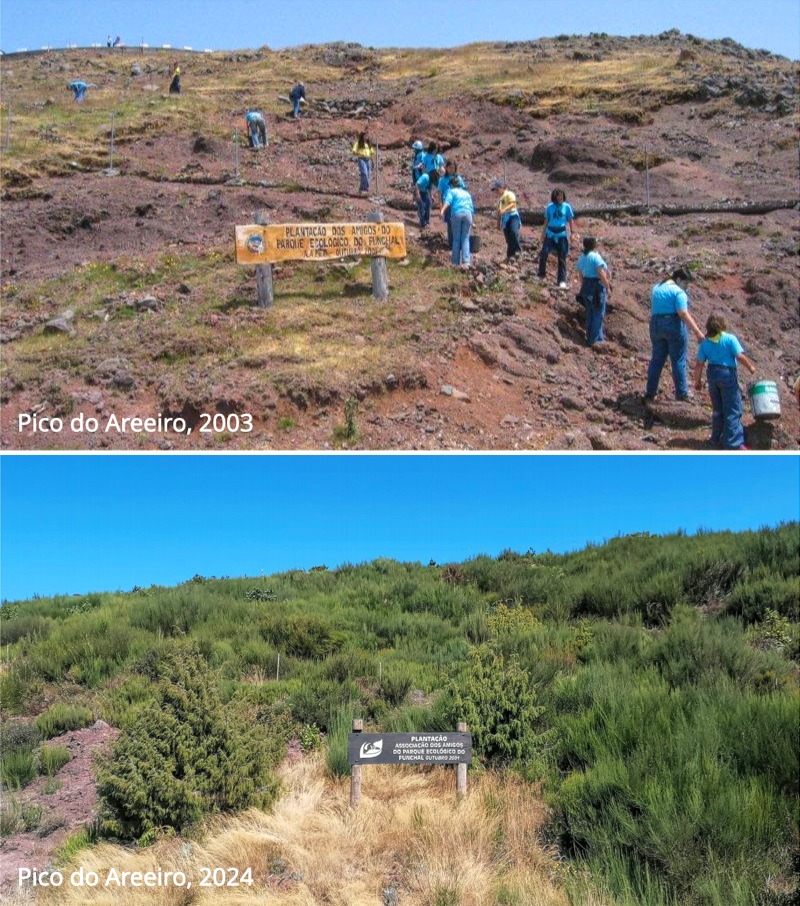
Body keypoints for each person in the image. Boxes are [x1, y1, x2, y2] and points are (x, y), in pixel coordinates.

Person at [693, 315, 756, 450]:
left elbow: (699, 364)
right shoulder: (729, 339)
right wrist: (750, 367)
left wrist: (697, 381)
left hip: (712, 374)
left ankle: (715, 439)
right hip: (727, 374)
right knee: (733, 409)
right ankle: (733, 443)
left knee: (717, 409)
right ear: (722, 325)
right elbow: (739, 356)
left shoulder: (705, 343)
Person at [645, 267, 704, 402]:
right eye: (686, 283)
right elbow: (682, 312)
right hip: (673, 325)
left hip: (655, 324)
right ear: (678, 280)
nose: (687, 287)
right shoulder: (678, 292)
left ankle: (650, 392)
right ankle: (682, 393)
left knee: (657, 360)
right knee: (678, 360)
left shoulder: (657, 288)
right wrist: (697, 332)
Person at [576, 237, 612, 346]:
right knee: (598, 313)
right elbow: (600, 273)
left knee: (590, 313)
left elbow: (580, 275)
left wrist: (583, 287)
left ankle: (592, 337)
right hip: (596, 287)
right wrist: (608, 287)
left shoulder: (582, 257)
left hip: (586, 286)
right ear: (593, 245)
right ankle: (595, 340)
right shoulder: (595, 257)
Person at [538, 188, 575, 288]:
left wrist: (572, 233)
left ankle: (561, 280)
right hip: (550, 233)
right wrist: (542, 234)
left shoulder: (567, 207)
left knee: (562, 257)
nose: (560, 200)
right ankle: (541, 274)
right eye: (558, 198)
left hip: (562, 234)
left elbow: (571, 220)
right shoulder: (550, 207)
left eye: (561, 198)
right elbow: (546, 221)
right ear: (554, 198)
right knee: (544, 253)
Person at [441, 183, 474, 268]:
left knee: (456, 238)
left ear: (452, 185)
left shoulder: (451, 191)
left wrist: (442, 211)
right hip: (468, 214)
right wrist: (473, 222)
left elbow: (447, 202)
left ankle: (455, 263)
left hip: (457, 213)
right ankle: (466, 262)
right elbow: (471, 208)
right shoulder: (467, 193)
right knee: (465, 238)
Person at [439, 162, 466, 249]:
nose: (452, 170)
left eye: (453, 168)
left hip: (458, 204)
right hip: (448, 205)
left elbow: (464, 190)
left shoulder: (458, 178)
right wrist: (441, 207)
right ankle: (451, 244)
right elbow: (440, 193)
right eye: (450, 168)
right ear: (446, 168)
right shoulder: (443, 180)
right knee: (450, 224)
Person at [493, 180, 521, 260]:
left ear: (502, 188)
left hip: (512, 216)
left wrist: (504, 210)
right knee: (508, 238)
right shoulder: (499, 201)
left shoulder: (509, 194)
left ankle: (517, 250)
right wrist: (498, 224)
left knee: (513, 232)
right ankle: (510, 256)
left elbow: (513, 204)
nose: (496, 192)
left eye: (497, 190)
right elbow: (499, 213)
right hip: (505, 219)